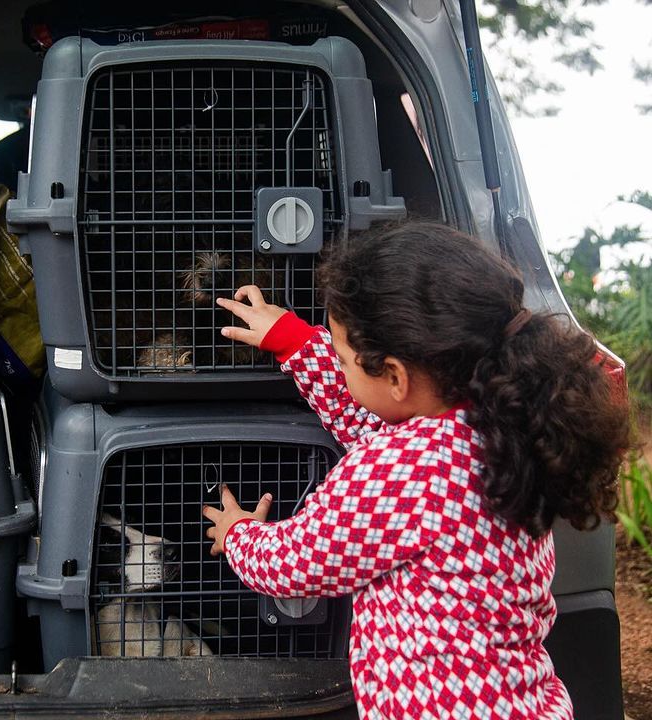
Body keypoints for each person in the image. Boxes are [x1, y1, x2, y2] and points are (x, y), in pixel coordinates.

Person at [201, 222, 629, 720]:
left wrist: (239, 534)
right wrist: (296, 341)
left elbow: (295, 563)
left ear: (397, 377)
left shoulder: (402, 471)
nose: (341, 369)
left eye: (343, 360)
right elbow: (370, 421)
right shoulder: (497, 430)